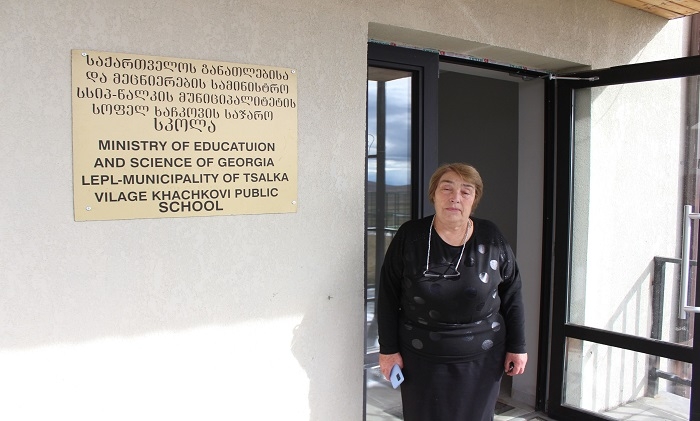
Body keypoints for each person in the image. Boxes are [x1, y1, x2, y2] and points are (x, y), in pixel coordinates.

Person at [376, 163, 527, 421]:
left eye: (465, 191)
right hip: (420, 358)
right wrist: (388, 350)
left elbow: (512, 293)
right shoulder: (410, 237)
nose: (455, 197)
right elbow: (388, 296)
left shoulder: (491, 237)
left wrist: (518, 346)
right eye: (446, 188)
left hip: (482, 358)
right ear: (433, 194)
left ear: (474, 200)